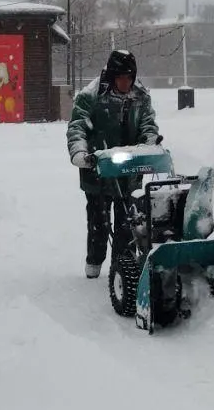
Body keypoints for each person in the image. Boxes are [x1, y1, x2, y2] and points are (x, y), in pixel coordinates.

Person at [65, 49, 160, 279]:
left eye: (129, 77)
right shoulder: (91, 95)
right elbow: (77, 127)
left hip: (129, 170)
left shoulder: (140, 96)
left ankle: (122, 268)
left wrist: (150, 143)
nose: (126, 82)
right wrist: (80, 153)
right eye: (121, 78)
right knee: (98, 220)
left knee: (129, 220)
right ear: (111, 75)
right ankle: (95, 261)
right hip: (97, 169)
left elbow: (148, 125)